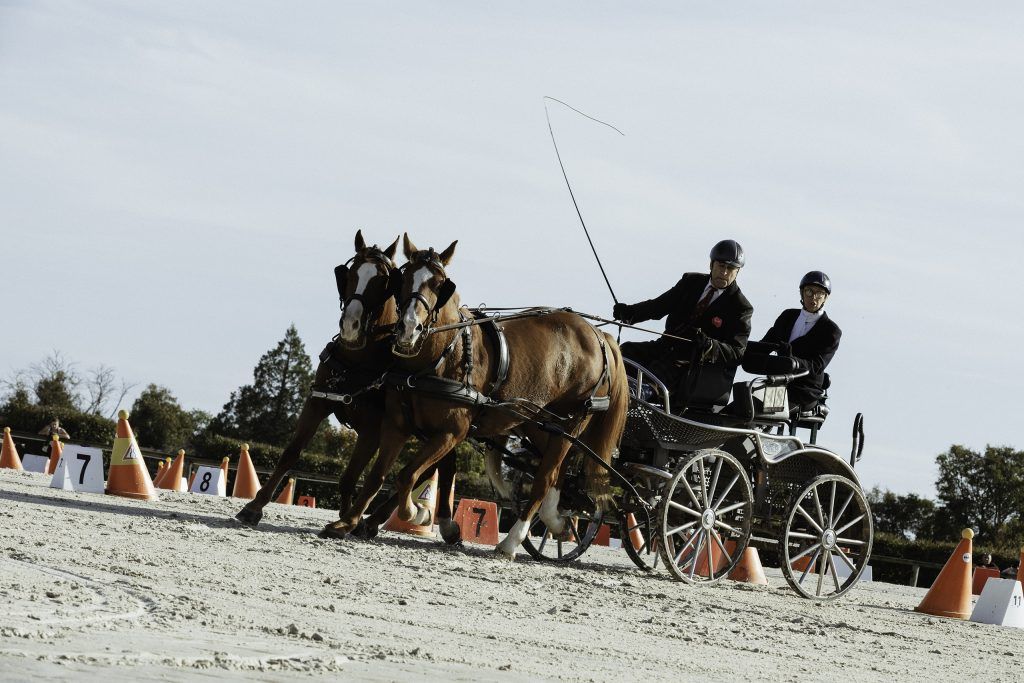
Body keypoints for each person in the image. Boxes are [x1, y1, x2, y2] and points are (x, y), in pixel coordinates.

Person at [612, 239, 753, 410]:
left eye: (730, 269)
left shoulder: (740, 307)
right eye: (721, 266)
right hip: (664, 346)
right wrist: (630, 313)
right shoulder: (690, 282)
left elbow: (737, 352)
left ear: (737, 272)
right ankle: (608, 390)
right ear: (711, 264)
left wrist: (710, 345)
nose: (724, 272)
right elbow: (659, 306)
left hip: (693, 362)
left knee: (660, 370)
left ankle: (634, 395)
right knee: (624, 353)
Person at [758, 271, 841, 415]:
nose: (813, 297)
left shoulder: (831, 331)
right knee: (743, 403)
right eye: (809, 291)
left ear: (825, 297)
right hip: (777, 383)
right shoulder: (787, 316)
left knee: (763, 413)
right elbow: (765, 344)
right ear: (802, 293)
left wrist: (791, 360)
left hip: (804, 390)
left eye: (819, 293)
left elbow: (816, 365)